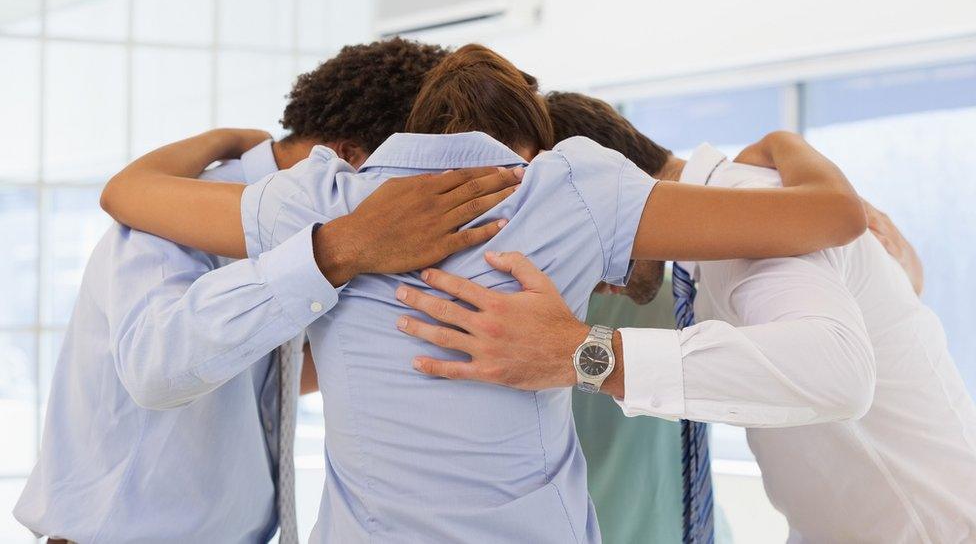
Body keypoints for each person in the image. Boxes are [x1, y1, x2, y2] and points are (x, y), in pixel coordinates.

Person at [99, 44, 866, 542]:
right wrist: (786, 148)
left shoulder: (325, 199)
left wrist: (238, 144)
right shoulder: (571, 188)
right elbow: (830, 217)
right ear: (531, 146)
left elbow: (130, 193)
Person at [397, 92, 976, 542]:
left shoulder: (756, 217)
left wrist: (580, 354)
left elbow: (840, 373)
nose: (588, 280)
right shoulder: (722, 238)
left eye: (568, 237)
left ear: (605, 181)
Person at [14, 39, 526, 544]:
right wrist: (336, 252)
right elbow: (156, 367)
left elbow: (258, 372)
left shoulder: (314, 231)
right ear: (348, 157)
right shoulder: (174, 212)